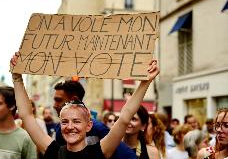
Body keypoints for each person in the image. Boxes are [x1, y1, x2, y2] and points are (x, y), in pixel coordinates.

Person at [11, 54, 159, 159]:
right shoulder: (54, 152)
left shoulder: (99, 152)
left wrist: (145, 83)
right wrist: (17, 77)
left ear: (88, 126)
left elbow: (125, 117)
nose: (70, 126)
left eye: (76, 121)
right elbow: (27, 115)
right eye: (65, 121)